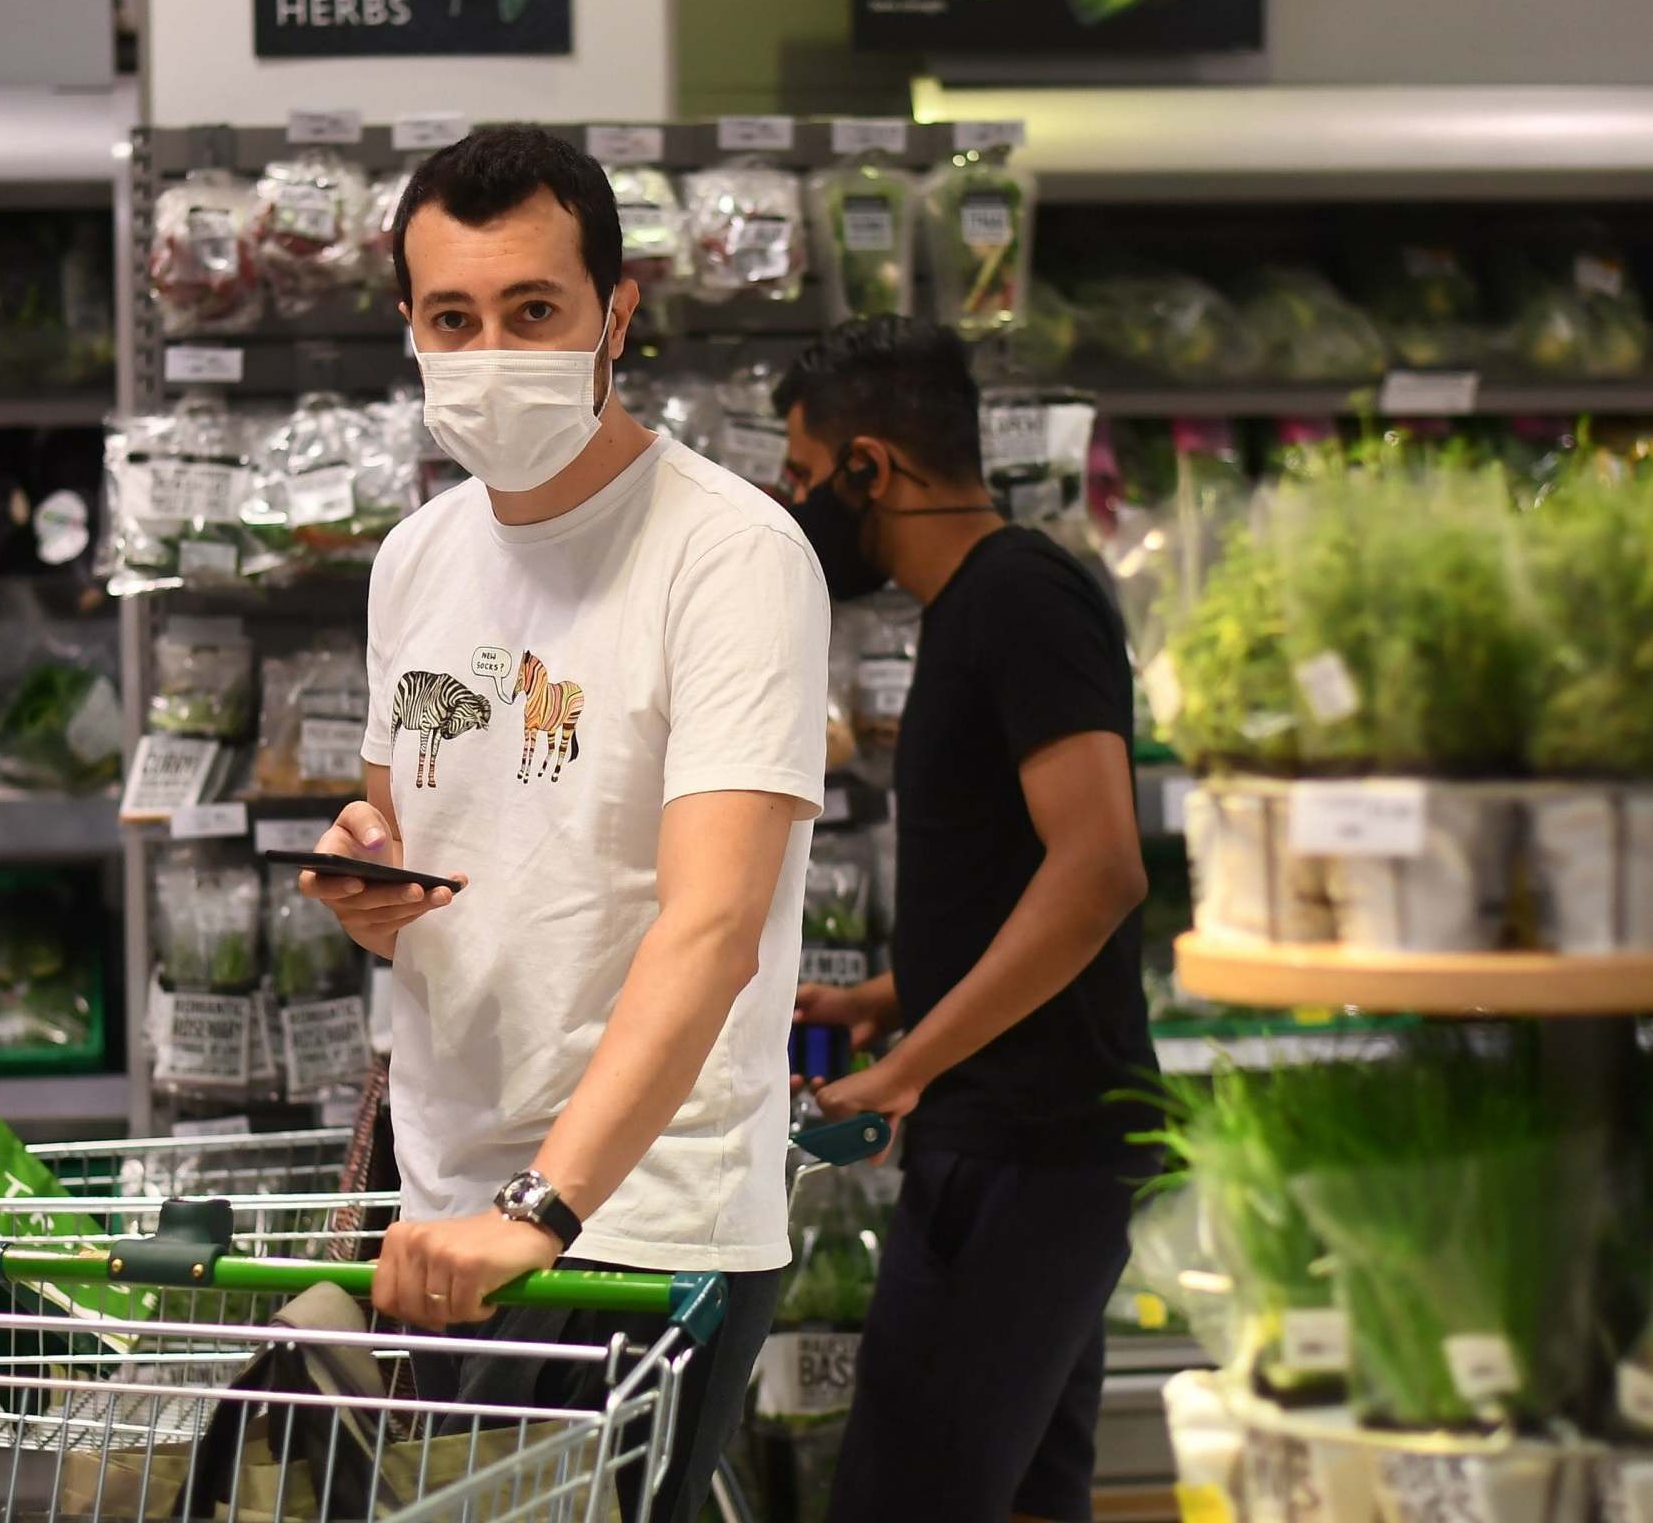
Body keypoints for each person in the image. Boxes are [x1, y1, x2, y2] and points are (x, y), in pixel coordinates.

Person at [299, 125, 830, 1523]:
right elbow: (410, 822)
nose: (490, 351)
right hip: (445, 1200)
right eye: (451, 318)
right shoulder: (417, 555)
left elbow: (713, 927)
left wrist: (540, 1211)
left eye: (532, 310)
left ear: (618, 313)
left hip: (633, 1217)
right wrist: (369, 884)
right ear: (407, 329)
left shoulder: (731, 555)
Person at [779, 317, 1157, 1523]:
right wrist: (876, 1003)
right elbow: (1011, 881)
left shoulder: (1020, 597)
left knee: (909, 1496)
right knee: (1034, 1491)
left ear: (869, 469)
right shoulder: (973, 607)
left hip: (1024, 1141)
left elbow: (1099, 870)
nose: (793, 505)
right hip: (1028, 1138)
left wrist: (903, 1072)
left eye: (800, 473)